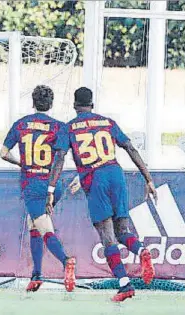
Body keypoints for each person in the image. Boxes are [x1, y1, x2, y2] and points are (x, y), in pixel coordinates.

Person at [46, 87, 157, 302]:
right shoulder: (107, 122)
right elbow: (130, 148)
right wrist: (149, 179)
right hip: (116, 174)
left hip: (95, 180)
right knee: (123, 230)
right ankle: (142, 251)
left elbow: (59, 159)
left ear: (75, 105)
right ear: (92, 104)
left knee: (107, 236)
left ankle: (125, 285)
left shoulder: (69, 128)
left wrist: (50, 189)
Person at [0, 85, 76, 292]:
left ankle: (66, 261)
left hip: (33, 185)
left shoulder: (21, 124)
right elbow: (63, 156)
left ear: (32, 103)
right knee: (34, 225)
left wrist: (20, 163)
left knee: (44, 229)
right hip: (53, 185)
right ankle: (36, 274)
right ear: (51, 104)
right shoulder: (60, 126)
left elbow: (3, 153)